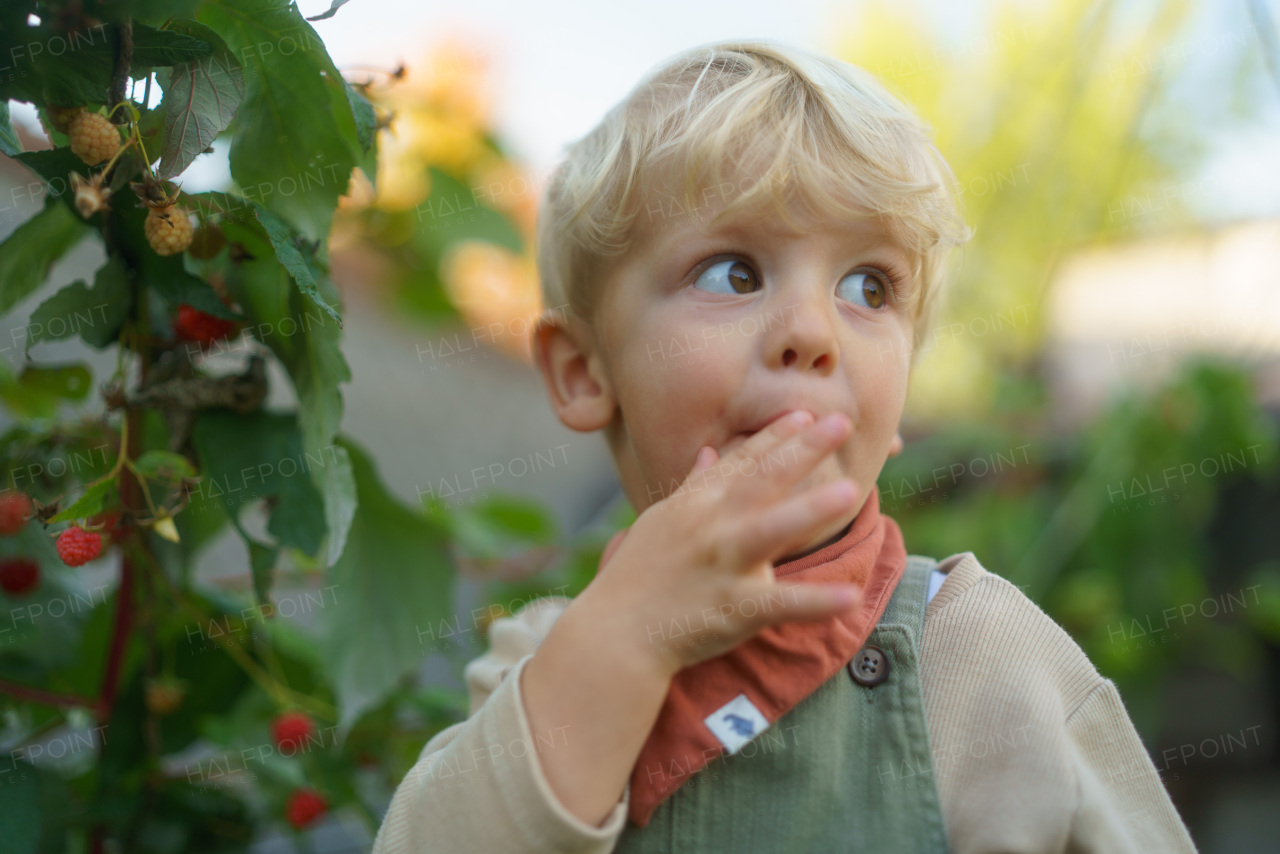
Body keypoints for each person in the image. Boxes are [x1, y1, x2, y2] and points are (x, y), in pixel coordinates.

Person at [371, 39, 1199, 853]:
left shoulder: (984, 652)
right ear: (587, 371)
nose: (811, 330)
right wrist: (624, 636)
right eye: (733, 272)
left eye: (867, 287)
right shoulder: (545, 657)